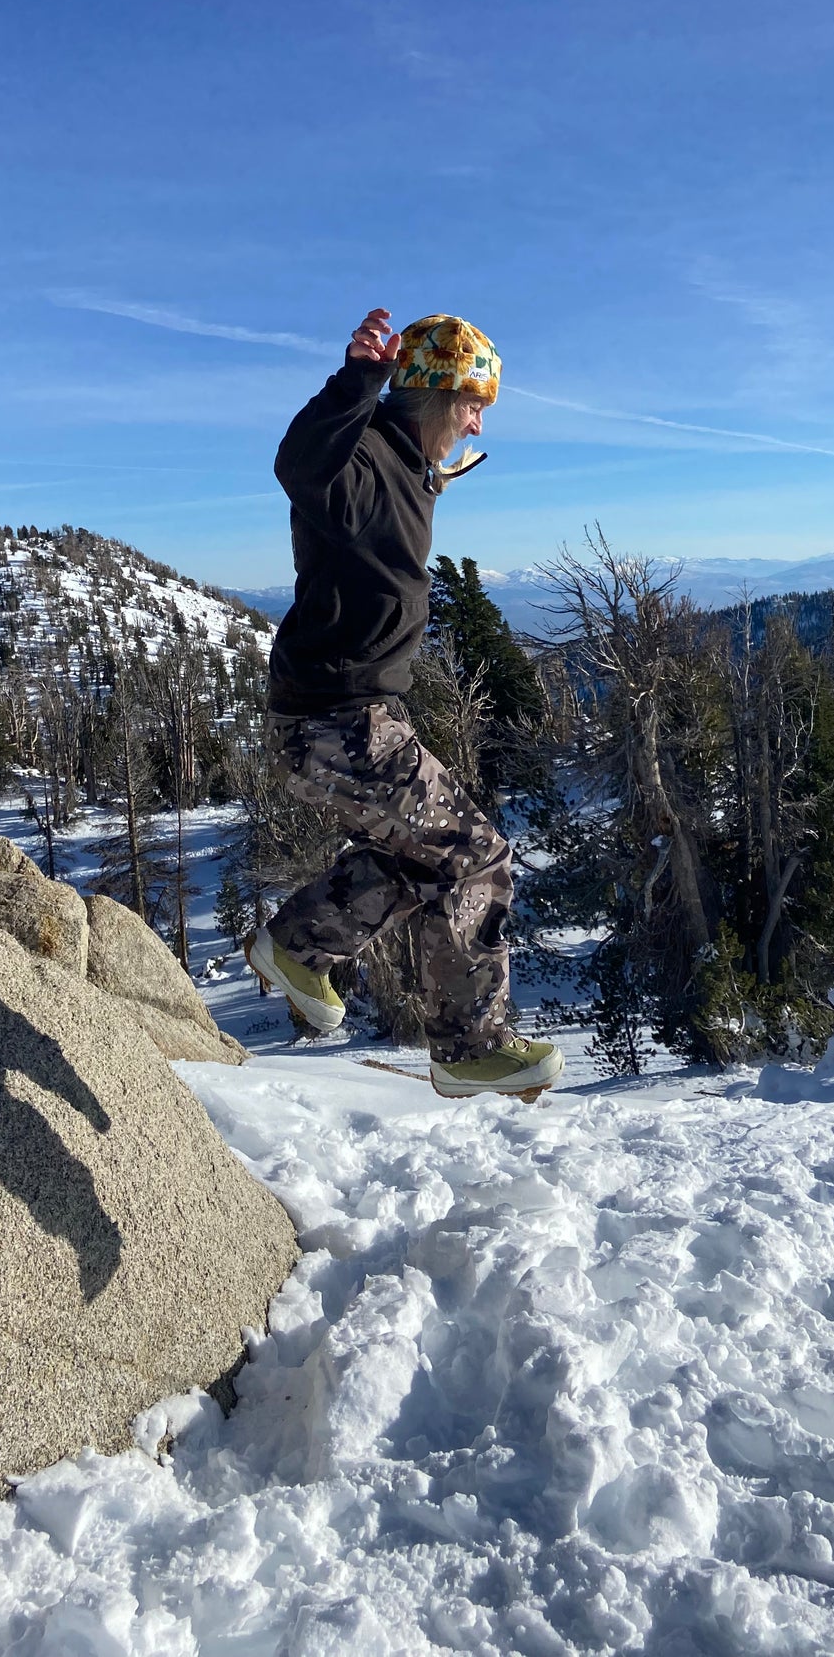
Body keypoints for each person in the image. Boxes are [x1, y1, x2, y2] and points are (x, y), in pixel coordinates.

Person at [244, 307, 564, 1101]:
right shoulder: (360, 459)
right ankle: (467, 1045)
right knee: (479, 855)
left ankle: (297, 946)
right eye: (471, 401)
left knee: (423, 865)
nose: (478, 419)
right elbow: (299, 463)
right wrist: (359, 379)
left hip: (349, 716)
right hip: (335, 719)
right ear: (433, 393)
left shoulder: (407, 465)